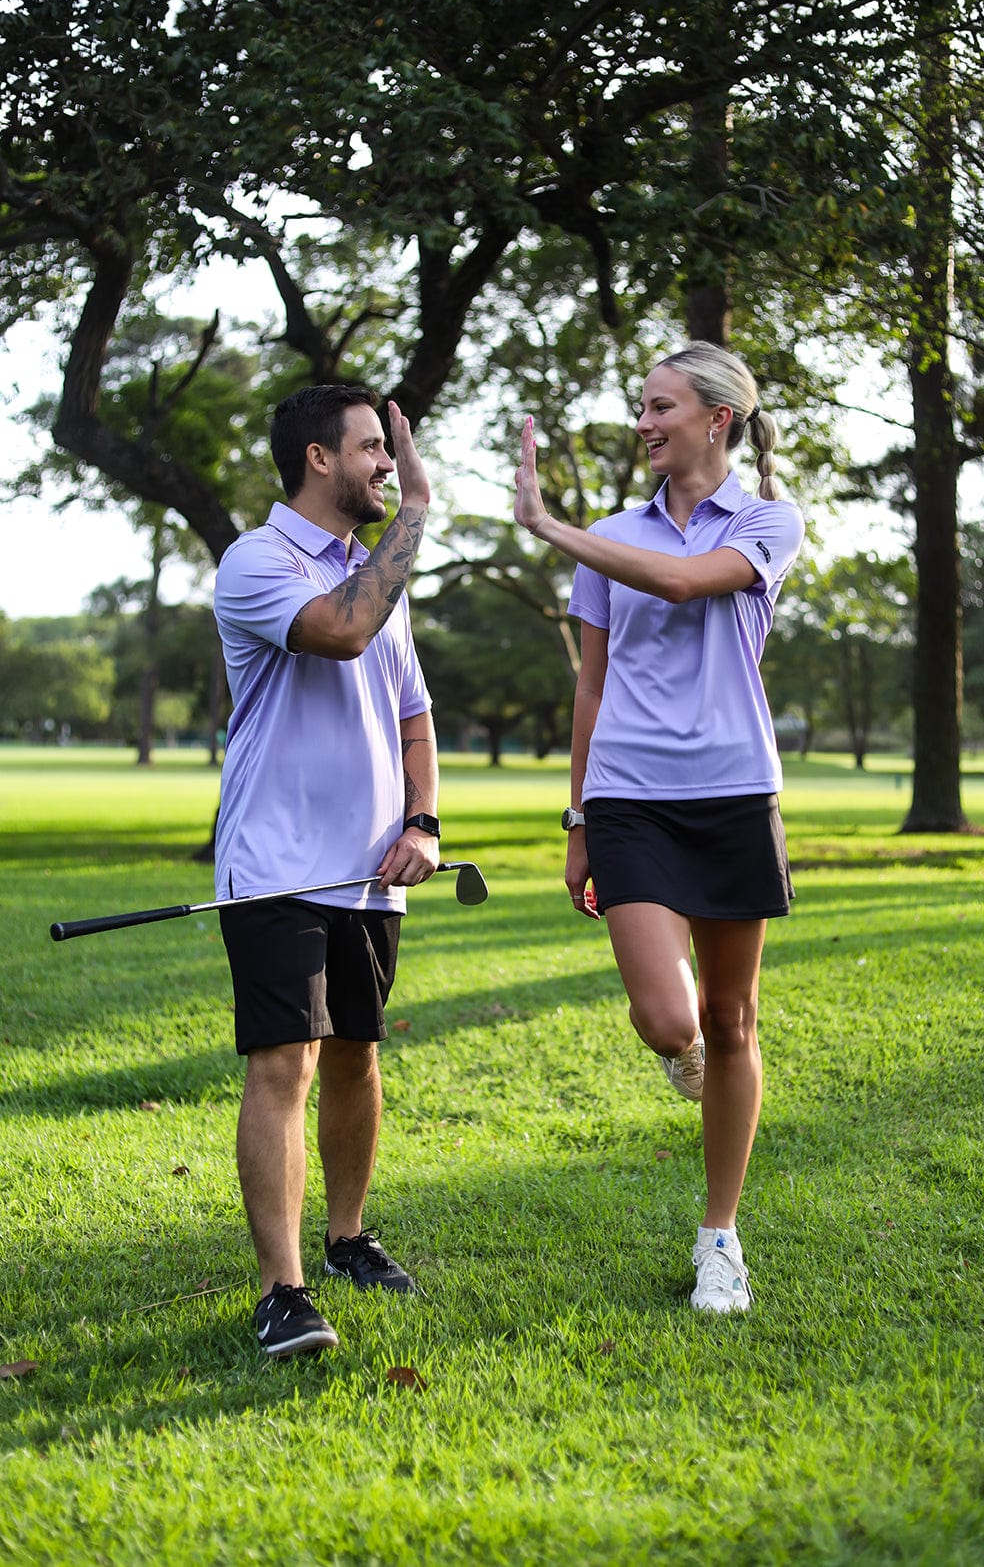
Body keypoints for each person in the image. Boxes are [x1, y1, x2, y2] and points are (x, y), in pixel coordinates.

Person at [513, 342, 805, 1314]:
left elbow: (685, 581)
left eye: (660, 406)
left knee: (732, 1018)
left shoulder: (767, 521)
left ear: (717, 419)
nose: (642, 422)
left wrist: (549, 526)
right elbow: (590, 686)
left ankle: (719, 1237)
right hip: (629, 796)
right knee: (668, 1019)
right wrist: (576, 819)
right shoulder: (611, 536)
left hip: (733, 792)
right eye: (640, 406)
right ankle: (684, 1056)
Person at [214, 383, 441, 1358]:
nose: (389, 464)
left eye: (391, 450)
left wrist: (424, 820)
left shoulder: (377, 575)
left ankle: (346, 1239)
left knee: (354, 1053)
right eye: (372, 446)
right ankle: (283, 1290)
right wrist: (416, 514)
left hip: (369, 870)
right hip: (275, 862)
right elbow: (340, 632)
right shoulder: (257, 560)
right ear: (318, 457)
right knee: (285, 1062)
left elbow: (413, 717)